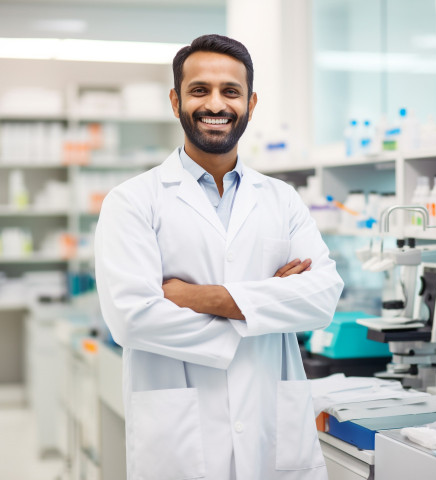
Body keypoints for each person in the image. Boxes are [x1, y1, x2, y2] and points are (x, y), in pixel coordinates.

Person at [95, 34, 344, 480]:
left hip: (272, 428)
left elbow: (322, 298)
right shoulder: (133, 201)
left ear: (250, 102)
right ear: (176, 101)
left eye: (230, 91)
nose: (216, 104)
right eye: (199, 90)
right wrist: (268, 307)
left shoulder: (281, 199)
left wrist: (199, 297)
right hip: (181, 438)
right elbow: (132, 318)